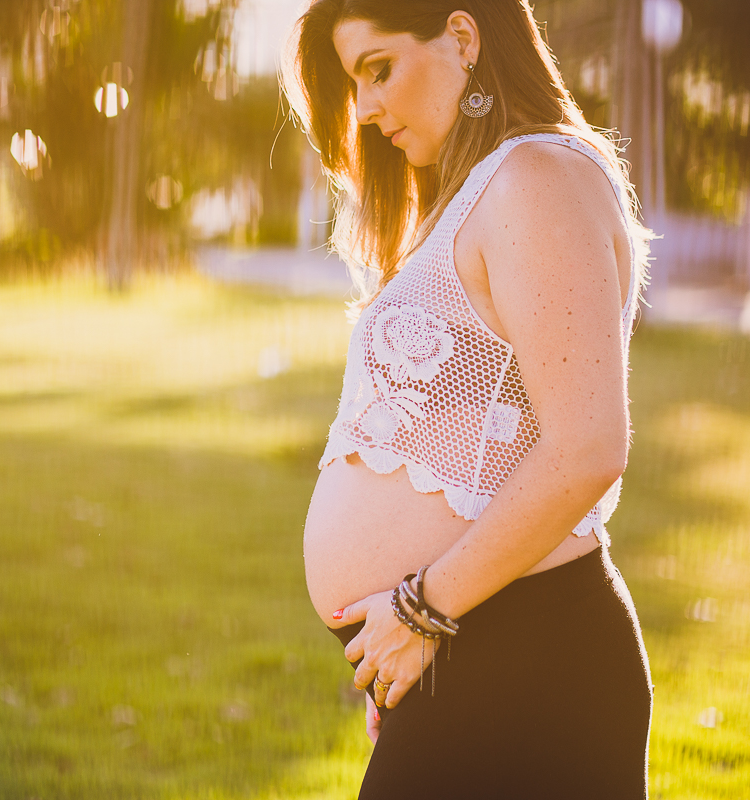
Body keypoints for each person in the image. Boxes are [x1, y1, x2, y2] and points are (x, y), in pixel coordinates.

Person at [281, 1, 655, 796]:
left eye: (378, 69)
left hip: (528, 657)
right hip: (472, 653)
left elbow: (588, 445)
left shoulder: (536, 177)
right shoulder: (485, 191)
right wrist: (410, 639)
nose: (368, 108)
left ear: (461, 37)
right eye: (356, 84)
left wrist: (420, 610)